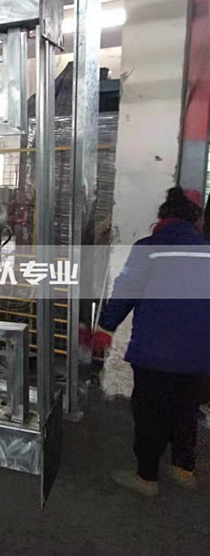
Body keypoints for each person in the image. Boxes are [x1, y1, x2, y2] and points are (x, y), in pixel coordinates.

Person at [93, 187, 210, 496]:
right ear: (195, 220)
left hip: (155, 352)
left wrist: (105, 328)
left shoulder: (149, 248)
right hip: (200, 355)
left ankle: (147, 478)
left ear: (163, 217)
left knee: (150, 414)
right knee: (186, 412)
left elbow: (126, 291)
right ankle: (184, 469)